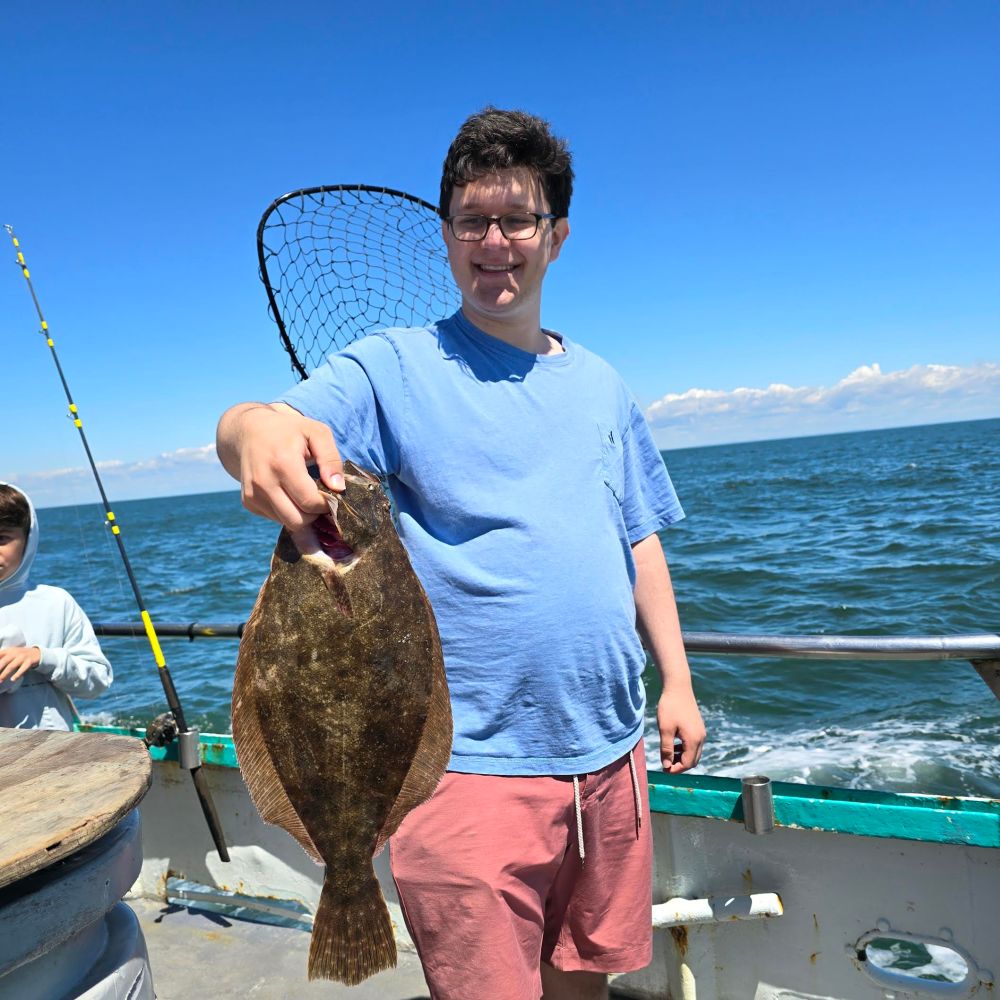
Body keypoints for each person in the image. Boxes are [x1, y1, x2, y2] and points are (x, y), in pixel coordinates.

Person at [217, 107, 705, 1000]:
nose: (495, 242)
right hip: (467, 769)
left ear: (555, 236)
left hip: (608, 754)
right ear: (444, 236)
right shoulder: (395, 367)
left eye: (517, 220)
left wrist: (675, 682)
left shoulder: (602, 385)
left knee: (582, 983)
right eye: (472, 221)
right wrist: (251, 435)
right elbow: (267, 419)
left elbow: (638, 538)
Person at [0, 482, 113, 730]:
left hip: (51, 756)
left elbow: (98, 678)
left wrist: (42, 657)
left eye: (2, 538)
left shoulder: (55, 602)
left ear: (28, 538)